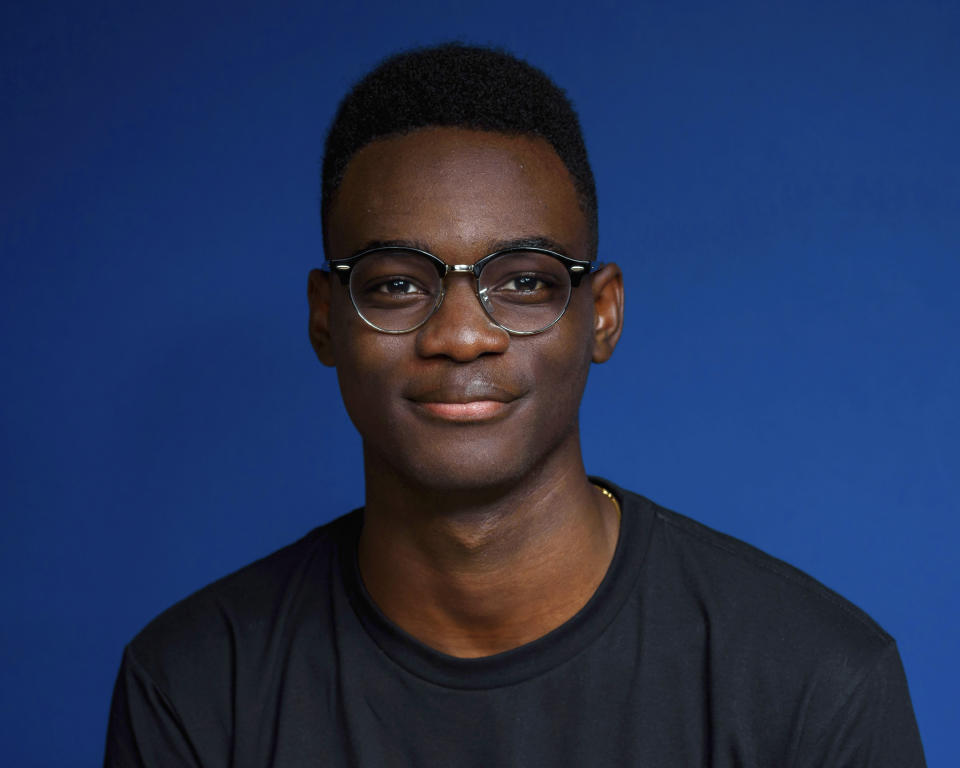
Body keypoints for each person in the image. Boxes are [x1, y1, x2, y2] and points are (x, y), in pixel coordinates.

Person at [104, 44, 926, 767]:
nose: (461, 336)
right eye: (396, 284)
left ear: (601, 314)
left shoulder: (815, 683)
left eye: (524, 282)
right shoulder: (197, 686)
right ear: (326, 318)